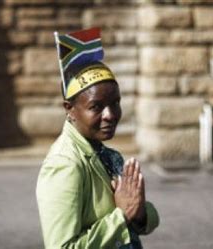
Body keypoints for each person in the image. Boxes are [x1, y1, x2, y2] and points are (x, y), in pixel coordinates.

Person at [36, 28, 159, 248]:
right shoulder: (64, 164)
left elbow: (141, 221)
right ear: (70, 109)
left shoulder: (108, 155)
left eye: (115, 103)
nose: (110, 114)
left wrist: (138, 211)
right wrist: (121, 216)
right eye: (96, 106)